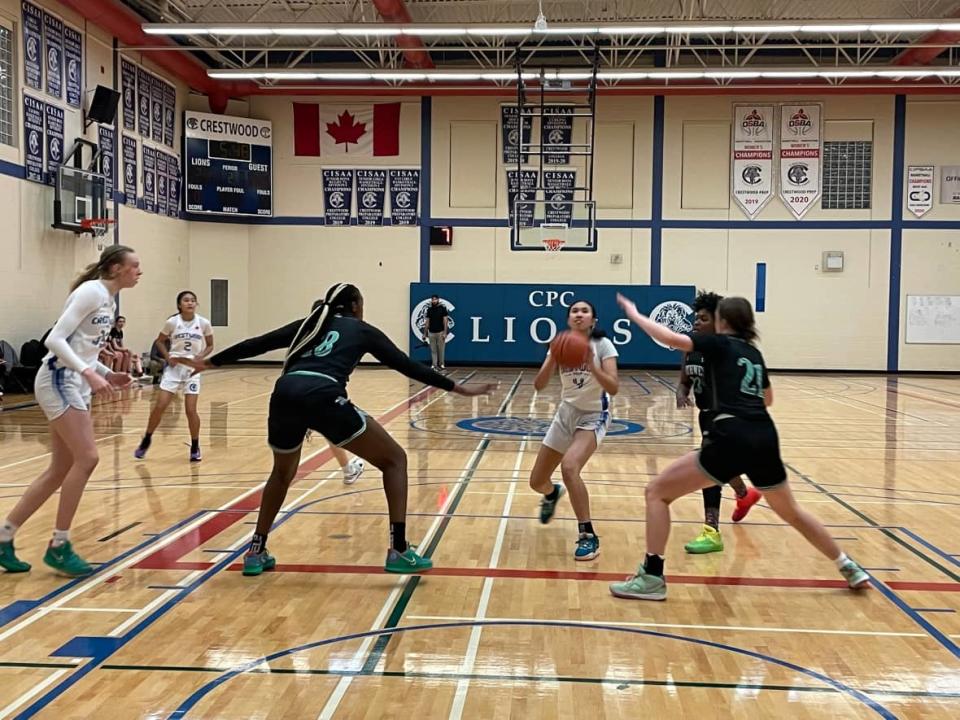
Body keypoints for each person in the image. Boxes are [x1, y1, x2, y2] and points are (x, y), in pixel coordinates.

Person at [185, 283, 494, 576]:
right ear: (357, 306)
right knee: (394, 460)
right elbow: (406, 364)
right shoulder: (361, 330)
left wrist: (213, 362)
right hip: (323, 395)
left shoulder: (309, 324)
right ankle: (399, 549)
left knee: (280, 475)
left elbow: (258, 344)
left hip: (284, 395)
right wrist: (458, 388)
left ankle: (255, 551)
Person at [609, 293, 870, 601]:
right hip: (764, 434)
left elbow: (668, 337)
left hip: (731, 433)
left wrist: (635, 313)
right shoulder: (754, 353)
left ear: (723, 321)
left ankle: (652, 577)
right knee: (792, 511)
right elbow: (768, 399)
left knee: (656, 492)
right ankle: (848, 565)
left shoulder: (719, 343)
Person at [0, 246, 140, 576]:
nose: (139, 271)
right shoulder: (90, 292)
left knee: (60, 467)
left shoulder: (108, 299)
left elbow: (84, 349)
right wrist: (89, 372)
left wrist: (106, 373)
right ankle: (59, 545)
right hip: (59, 378)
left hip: (74, 380)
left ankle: (4, 536)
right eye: (134, 266)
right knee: (88, 458)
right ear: (116, 267)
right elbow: (56, 340)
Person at [530, 300, 619, 561]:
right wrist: (552, 356)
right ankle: (551, 493)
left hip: (594, 414)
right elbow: (539, 385)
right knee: (536, 481)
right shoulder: (560, 344)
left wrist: (592, 365)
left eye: (584, 311)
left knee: (570, 468)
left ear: (593, 320)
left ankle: (588, 535)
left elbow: (613, 387)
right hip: (566, 414)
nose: (579, 314)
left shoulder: (603, 345)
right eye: (574, 311)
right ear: (569, 319)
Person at [678, 291, 761, 554]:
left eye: (702, 318)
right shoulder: (692, 348)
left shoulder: (728, 351)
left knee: (708, 467)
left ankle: (711, 530)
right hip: (708, 417)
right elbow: (685, 379)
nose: (695, 323)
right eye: (695, 318)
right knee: (717, 465)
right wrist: (681, 391)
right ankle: (743, 494)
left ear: (720, 322)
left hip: (730, 419)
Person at [134, 291, 214, 462]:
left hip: (192, 369)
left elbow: (210, 345)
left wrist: (201, 356)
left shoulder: (203, 322)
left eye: (193, 300)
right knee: (160, 406)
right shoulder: (172, 322)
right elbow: (159, 342)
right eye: (186, 300)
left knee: (190, 410)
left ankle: (195, 446)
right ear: (179, 305)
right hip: (174, 368)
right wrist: (167, 356)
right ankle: (147, 438)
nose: (190, 303)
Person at [423, 294, 449, 371]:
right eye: (433, 299)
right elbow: (427, 322)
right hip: (431, 332)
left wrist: (445, 332)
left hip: (440, 332)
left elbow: (445, 321)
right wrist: (425, 333)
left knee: (441, 349)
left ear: (438, 300)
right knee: (433, 350)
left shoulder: (442, 309)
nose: (434, 301)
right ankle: (434, 364)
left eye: (435, 299)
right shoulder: (429, 310)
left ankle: (441, 364)